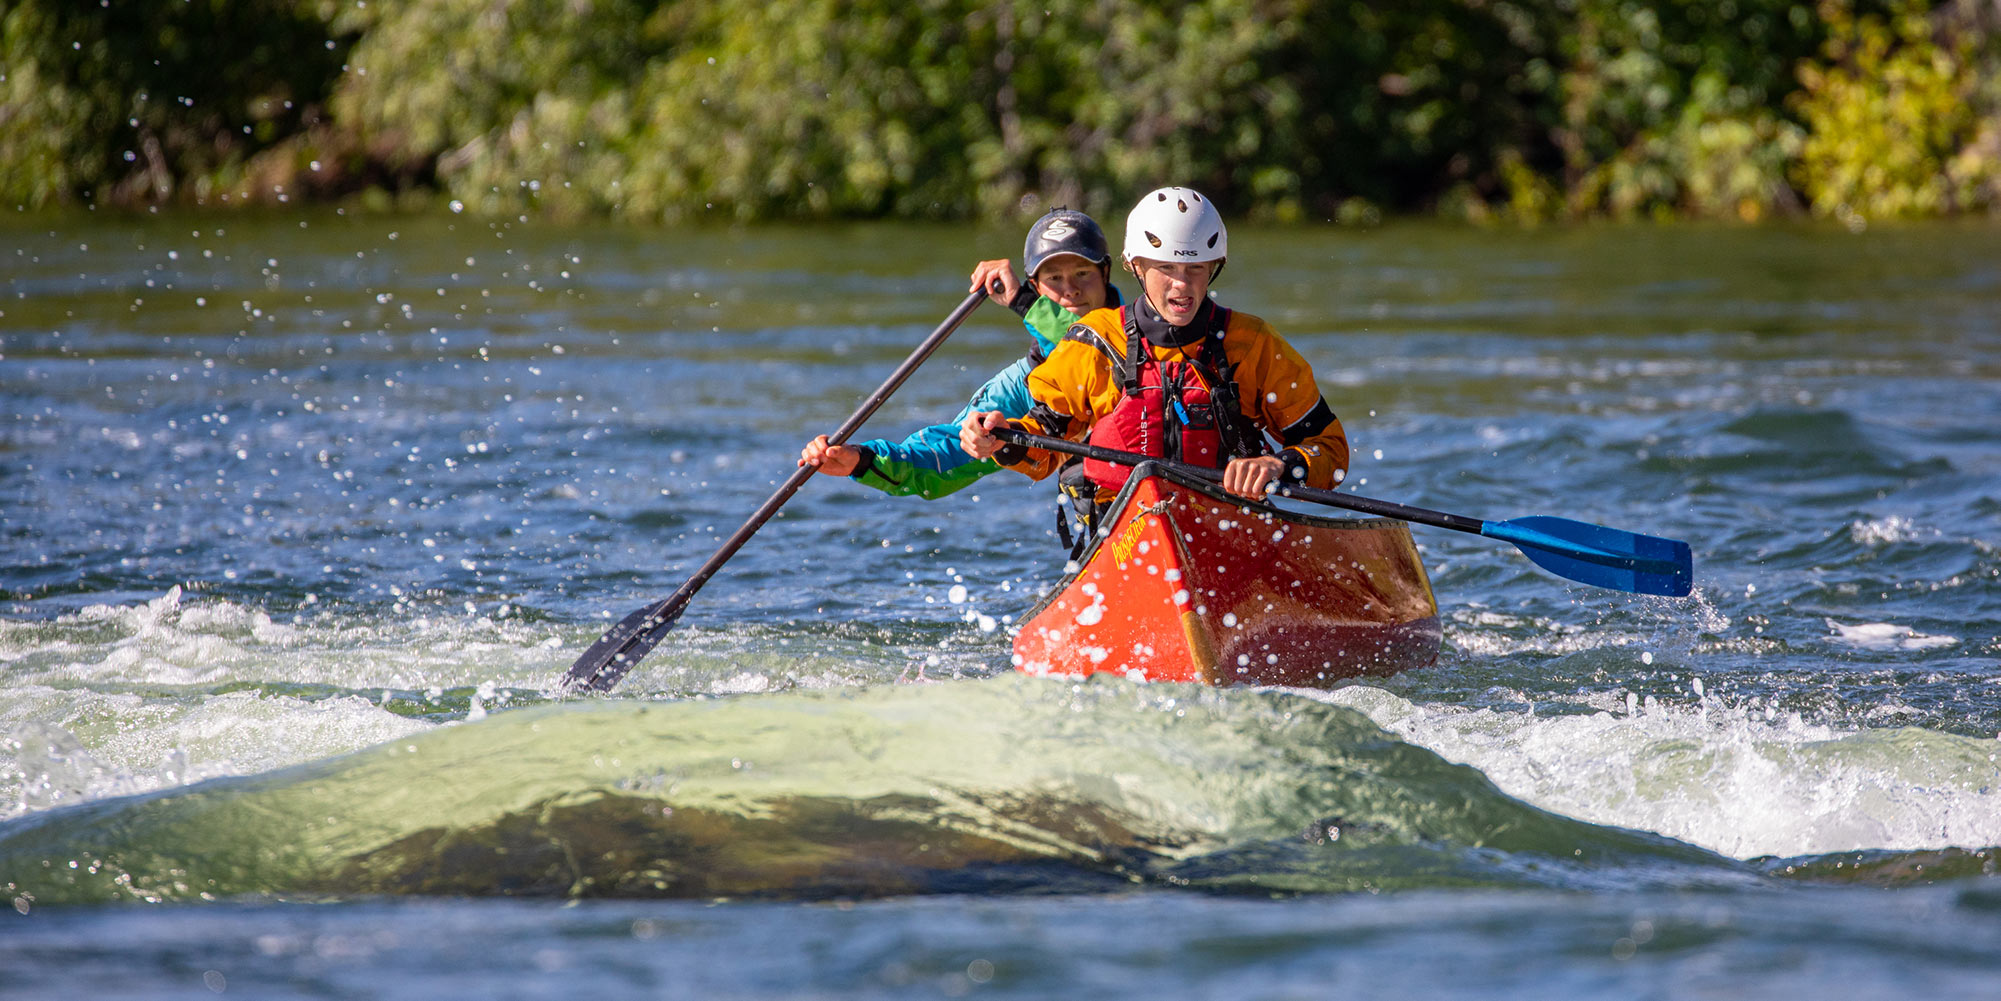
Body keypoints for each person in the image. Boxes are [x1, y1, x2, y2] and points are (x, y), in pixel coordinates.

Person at [959, 186, 1349, 503]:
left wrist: (1278, 465)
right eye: (1166, 268)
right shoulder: (1095, 342)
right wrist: (999, 438)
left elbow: (1330, 452)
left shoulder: (1253, 345)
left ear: (1214, 268)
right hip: (1123, 534)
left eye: (1195, 268)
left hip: (1232, 520)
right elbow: (1042, 442)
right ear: (1136, 267)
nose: (1182, 284)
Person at [797, 208, 1121, 499]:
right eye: (1054, 278)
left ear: (1105, 274)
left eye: (1082, 273)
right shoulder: (1021, 386)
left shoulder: (1151, 332)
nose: (1071, 289)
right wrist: (861, 461)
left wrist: (1023, 303)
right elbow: (942, 459)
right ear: (1037, 287)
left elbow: (1101, 346)